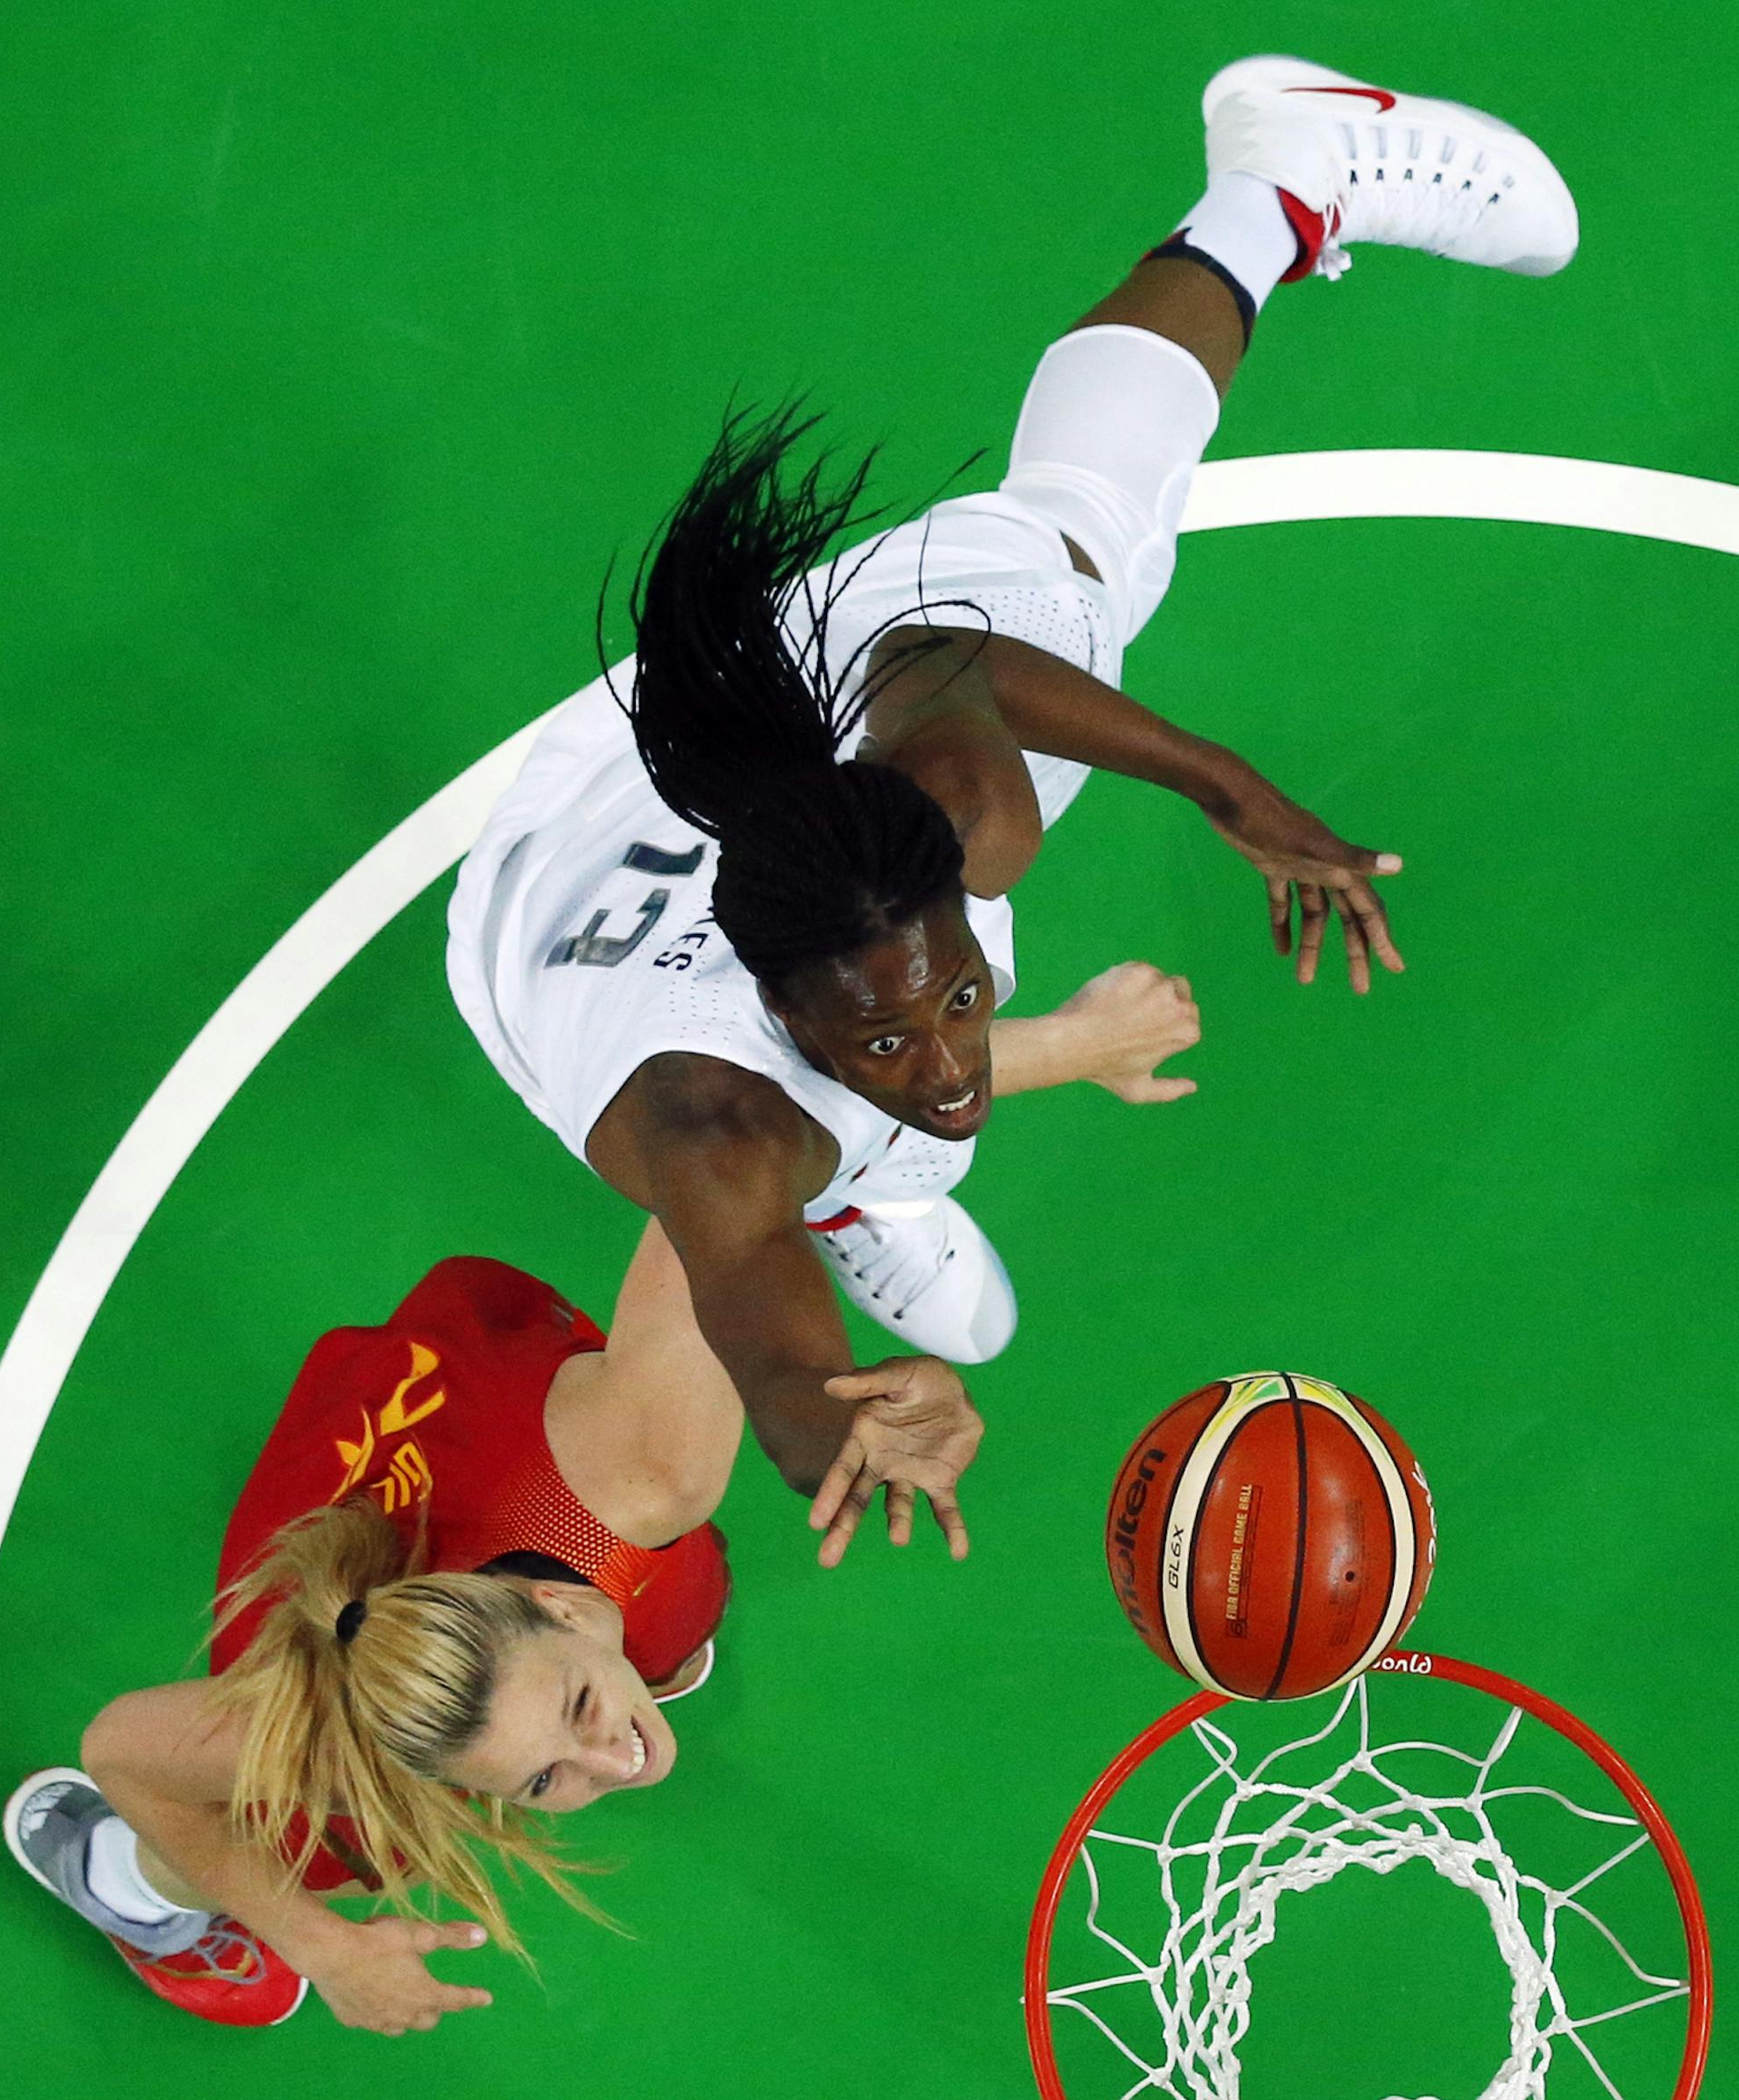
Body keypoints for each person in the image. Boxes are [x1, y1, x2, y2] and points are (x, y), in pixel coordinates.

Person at [445, 55, 1577, 1561]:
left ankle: (1285, 180)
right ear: (786, 1009)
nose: (952, 1060)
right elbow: (776, 1366)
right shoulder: (717, 1131)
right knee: (871, 1208)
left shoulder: (962, 815)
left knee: (1084, 544)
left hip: (725, 760)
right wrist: (855, 1420)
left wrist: (1225, 788)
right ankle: (873, 1197)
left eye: (958, 1001)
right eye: (888, 1041)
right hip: (553, 894)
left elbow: (943, 656)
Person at [2, 1228, 806, 2035]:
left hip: (478, 1422)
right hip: (369, 1617)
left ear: (559, 1608)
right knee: (330, 1856)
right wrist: (318, 1942)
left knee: (673, 1556)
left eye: (580, 1705)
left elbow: (723, 1164)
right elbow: (119, 1755)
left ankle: (628, 1671)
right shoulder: (338, 1738)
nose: (613, 1763)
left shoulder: (651, 1467)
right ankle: (128, 1888)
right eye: (538, 1782)